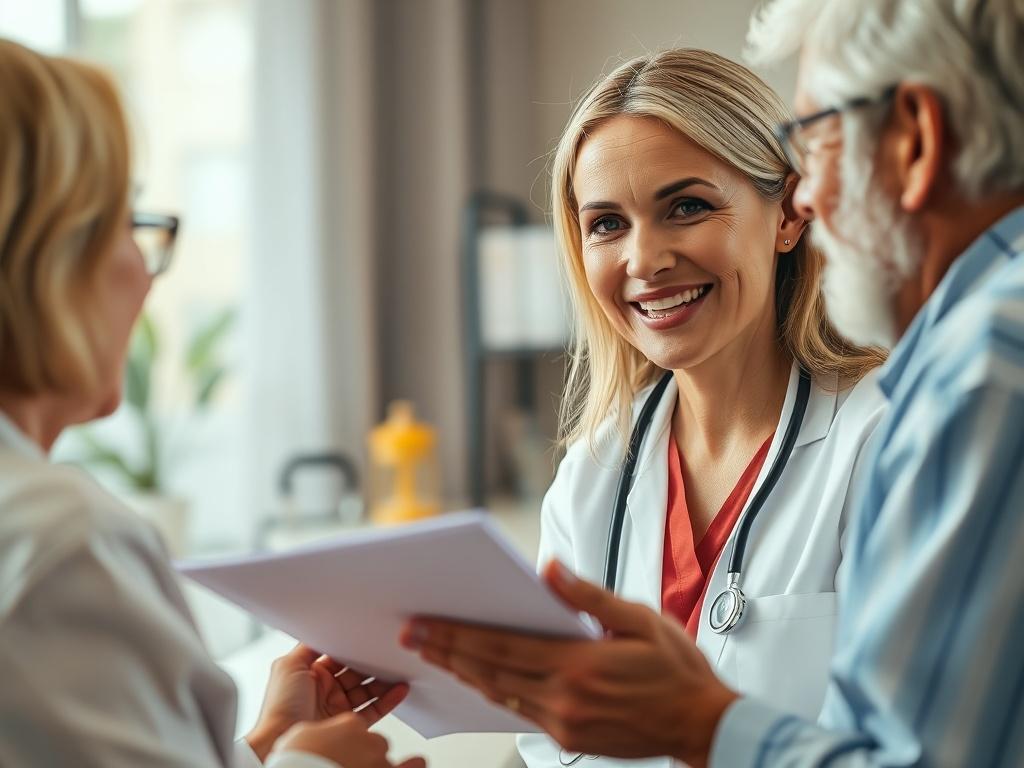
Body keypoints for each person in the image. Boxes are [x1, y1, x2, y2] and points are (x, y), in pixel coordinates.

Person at [407, 1, 1024, 766]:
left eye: (687, 207)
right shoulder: (593, 473)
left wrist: (698, 722)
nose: (644, 260)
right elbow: (546, 742)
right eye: (606, 224)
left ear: (786, 216)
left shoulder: (898, 425)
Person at [0, 38, 423, 768]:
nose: (144, 270)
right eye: (123, 223)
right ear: (46, 256)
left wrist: (263, 750)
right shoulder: (57, 542)